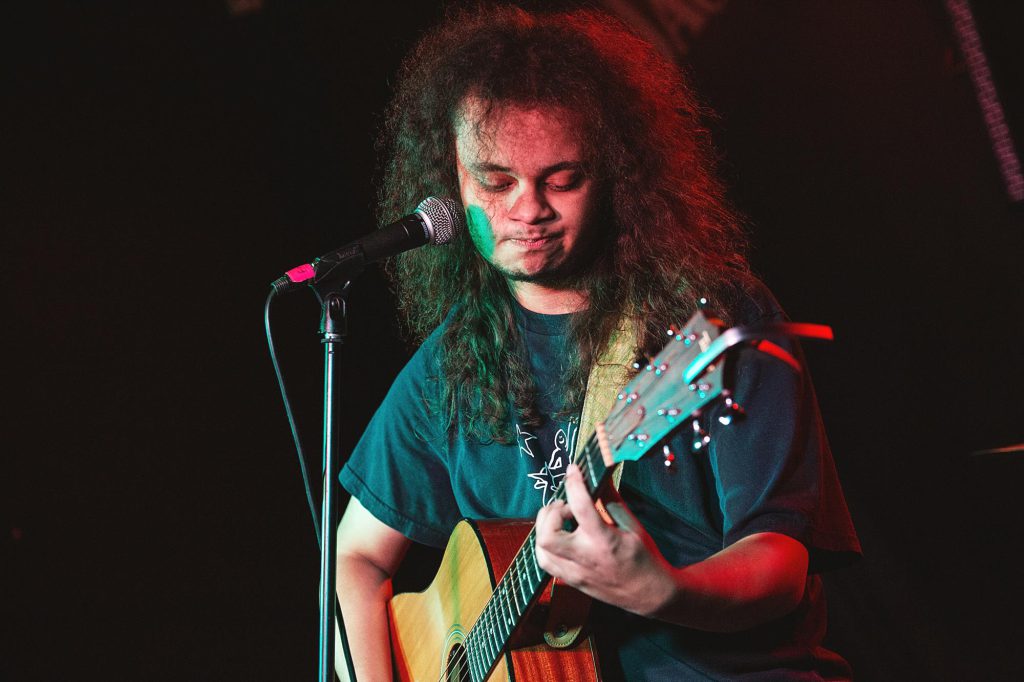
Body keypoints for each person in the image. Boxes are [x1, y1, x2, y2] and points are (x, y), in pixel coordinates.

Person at [335, 6, 860, 680]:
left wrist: (666, 591)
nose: (528, 209)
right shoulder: (452, 363)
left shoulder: (705, 323)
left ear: (616, 172)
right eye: (495, 182)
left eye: (562, 179)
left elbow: (780, 564)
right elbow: (355, 556)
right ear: (452, 180)